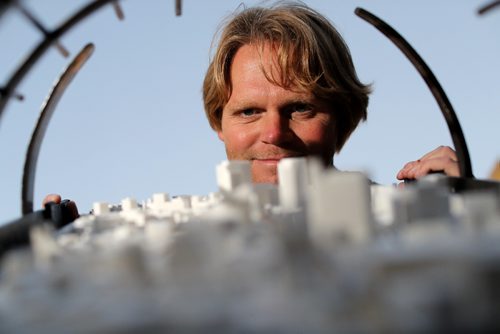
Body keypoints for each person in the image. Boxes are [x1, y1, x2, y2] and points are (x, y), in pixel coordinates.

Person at [44, 2, 459, 212]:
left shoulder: (416, 219)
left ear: (344, 117)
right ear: (218, 122)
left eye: (300, 108)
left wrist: (472, 206)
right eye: (248, 112)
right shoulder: (172, 239)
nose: (274, 134)